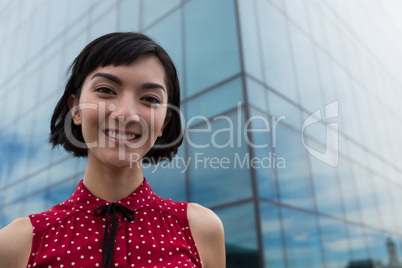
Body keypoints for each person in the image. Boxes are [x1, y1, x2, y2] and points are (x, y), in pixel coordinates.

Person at [0, 32, 225, 268]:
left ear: (164, 124)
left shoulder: (201, 230)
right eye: (106, 90)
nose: (126, 114)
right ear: (75, 109)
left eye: (150, 98)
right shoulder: (17, 243)